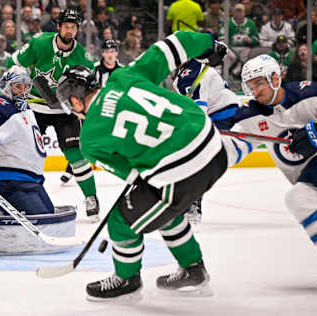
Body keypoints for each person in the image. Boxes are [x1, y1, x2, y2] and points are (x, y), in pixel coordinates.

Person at [56, 31, 229, 301]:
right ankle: (193, 271)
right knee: (161, 207)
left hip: (181, 171)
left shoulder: (89, 138)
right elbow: (171, 45)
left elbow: (134, 175)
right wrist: (208, 44)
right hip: (214, 146)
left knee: (121, 221)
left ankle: (127, 281)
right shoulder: (123, 77)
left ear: (76, 101)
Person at [0, 65, 76, 256]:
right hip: (11, 183)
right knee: (42, 223)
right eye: (18, 86)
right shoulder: (1, 107)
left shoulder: (26, 109)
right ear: (6, 87)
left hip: (32, 183)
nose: (23, 91)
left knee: (49, 216)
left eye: (26, 86)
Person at [6, 9, 100, 222]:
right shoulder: (39, 43)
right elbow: (14, 63)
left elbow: (88, 91)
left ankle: (91, 197)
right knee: (26, 153)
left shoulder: (83, 57)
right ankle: (22, 196)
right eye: (66, 26)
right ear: (58, 27)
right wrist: (19, 90)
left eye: (74, 27)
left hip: (64, 111)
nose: (70, 30)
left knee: (75, 155)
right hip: (34, 107)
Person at [238, 54, 317, 286]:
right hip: (311, 179)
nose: (254, 91)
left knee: (300, 196)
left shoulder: (311, 94)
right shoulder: (251, 116)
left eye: (258, 83)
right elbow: (228, 143)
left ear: (275, 78)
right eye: (250, 86)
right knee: (299, 198)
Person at [172, 57, 245, 223]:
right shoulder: (192, 70)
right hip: (225, 112)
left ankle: (192, 204)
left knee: (195, 157)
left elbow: (199, 111)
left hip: (221, 115)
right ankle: (191, 201)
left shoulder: (189, 74)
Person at [60, 39, 123, 185]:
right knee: (84, 140)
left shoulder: (122, 71)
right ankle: (70, 170)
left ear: (117, 53)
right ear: (102, 53)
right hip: (90, 111)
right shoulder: (94, 70)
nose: (110, 55)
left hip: (112, 111)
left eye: (112, 51)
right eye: (107, 52)